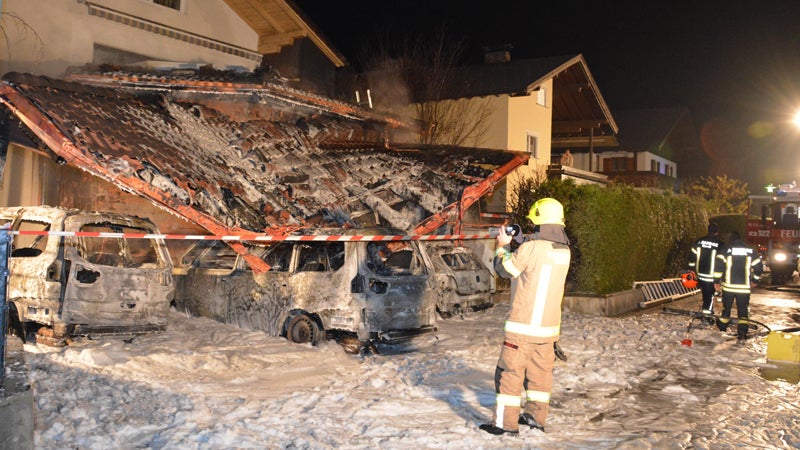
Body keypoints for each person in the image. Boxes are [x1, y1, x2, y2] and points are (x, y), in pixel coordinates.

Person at [479, 198, 571, 436]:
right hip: (547, 330)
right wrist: (521, 240)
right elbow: (538, 257)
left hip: (523, 328)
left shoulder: (531, 249)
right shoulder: (564, 250)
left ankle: (504, 424)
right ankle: (535, 417)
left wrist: (502, 245)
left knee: (509, 374)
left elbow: (504, 269)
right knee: (540, 376)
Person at [713, 231, 763, 344]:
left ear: (731, 240)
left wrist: (716, 281)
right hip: (744, 288)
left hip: (729, 287)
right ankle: (742, 333)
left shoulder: (726, 250)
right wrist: (755, 280)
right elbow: (758, 267)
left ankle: (722, 329)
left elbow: (718, 267)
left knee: (726, 309)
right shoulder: (750, 250)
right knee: (743, 310)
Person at [688, 222, 724, 317]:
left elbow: (692, 256)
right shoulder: (720, 244)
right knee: (710, 296)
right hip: (712, 276)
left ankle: (707, 311)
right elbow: (722, 261)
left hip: (700, 274)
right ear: (717, 232)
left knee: (705, 294)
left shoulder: (699, 241)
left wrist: (691, 269)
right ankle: (707, 315)